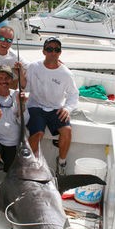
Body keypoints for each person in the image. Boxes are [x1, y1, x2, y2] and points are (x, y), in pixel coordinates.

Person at [24, 37, 78, 175]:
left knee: (67, 131)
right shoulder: (33, 67)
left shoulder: (66, 73)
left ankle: (61, 162)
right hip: (35, 106)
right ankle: (30, 166)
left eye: (56, 50)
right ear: (43, 51)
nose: (53, 52)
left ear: (60, 53)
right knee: (38, 133)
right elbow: (26, 88)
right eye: (49, 49)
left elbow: (73, 95)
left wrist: (67, 108)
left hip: (56, 108)